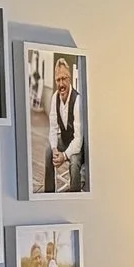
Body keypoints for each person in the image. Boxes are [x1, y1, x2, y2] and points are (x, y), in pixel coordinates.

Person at [44, 52, 85, 191]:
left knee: (74, 163)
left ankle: (74, 197)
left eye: (64, 78)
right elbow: (53, 129)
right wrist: (56, 150)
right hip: (65, 140)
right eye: (58, 80)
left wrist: (64, 156)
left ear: (70, 79)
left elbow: (79, 140)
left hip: (77, 145)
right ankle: (49, 194)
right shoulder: (55, 97)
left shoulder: (77, 100)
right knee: (48, 151)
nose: (61, 84)